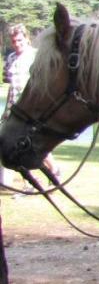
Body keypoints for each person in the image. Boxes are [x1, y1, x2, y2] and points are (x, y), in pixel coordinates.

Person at [3, 23, 60, 188]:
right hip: (14, 107)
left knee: (32, 144)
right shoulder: (11, 58)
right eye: (14, 41)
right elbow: (9, 81)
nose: (16, 43)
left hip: (31, 108)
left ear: (27, 39)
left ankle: (54, 171)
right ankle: (21, 181)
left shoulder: (35, 56)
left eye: (19, 40)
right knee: (13, 143)